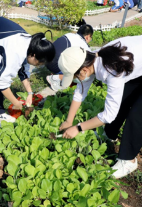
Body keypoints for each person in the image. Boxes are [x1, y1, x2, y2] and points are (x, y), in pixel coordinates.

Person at [56, 35, 142, 179]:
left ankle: (128, 161)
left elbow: (109, 115)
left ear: (83, 70)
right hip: (136, 63)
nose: (76, 80)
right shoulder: (94, 58)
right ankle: (109, 135)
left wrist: (78, 128)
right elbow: (80, 91)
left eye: (75, 76)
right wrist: (69, 121)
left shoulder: (113, 70)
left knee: (137, 116)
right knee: (121, 100)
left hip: (131, 63)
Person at [46, 24, 93, 91]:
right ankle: (55, 78)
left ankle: (58, 75)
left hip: (46, 60)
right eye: (91, 38)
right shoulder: (83, 45)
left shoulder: (69, 34)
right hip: (56, 65)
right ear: (88, 37)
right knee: (81, 71)